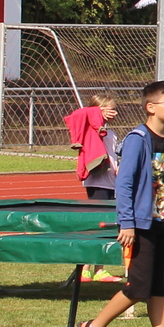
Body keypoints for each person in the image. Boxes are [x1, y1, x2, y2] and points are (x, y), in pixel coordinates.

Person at [74, 81, 164, 327]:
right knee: (138, 287)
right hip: (140, 226)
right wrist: (127, 223)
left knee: (159, 287)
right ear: (151, 107)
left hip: (162, 223)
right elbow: (125, 185)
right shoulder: (137, 139)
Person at [63, 95, 125, 284]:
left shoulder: (110, 133)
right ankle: (86, 269)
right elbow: (76, 115)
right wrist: (97, 112)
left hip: (112, 181)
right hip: (97, 182)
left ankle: (99, 269)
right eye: (107, 109)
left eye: (114, 109)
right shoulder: (89, 127)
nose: (112, 113)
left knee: (108, 224)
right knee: (97, 224)